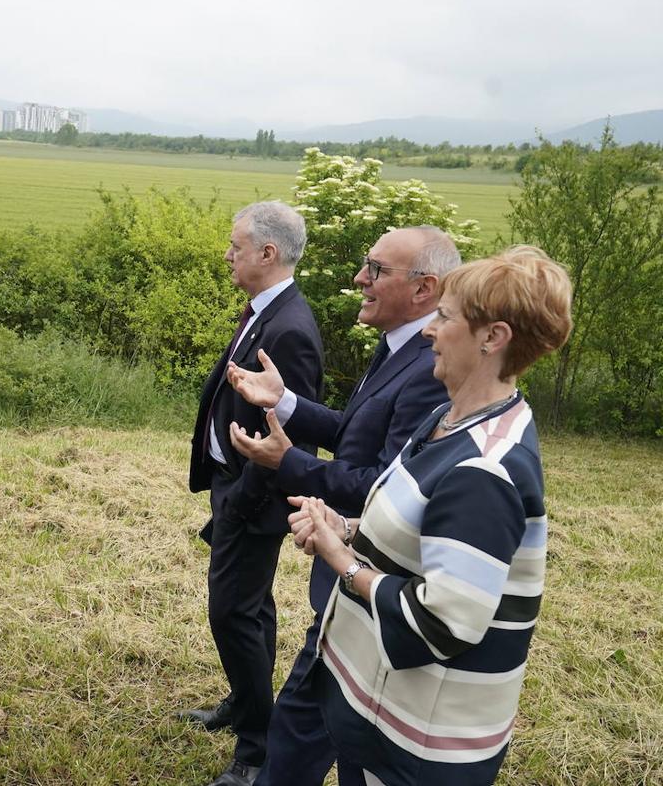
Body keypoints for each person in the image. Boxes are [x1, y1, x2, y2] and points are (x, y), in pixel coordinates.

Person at [287, 245, 572, 786]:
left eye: (444, 317)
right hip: (377, 711)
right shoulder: (447, 417)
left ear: (493, 337)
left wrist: (341, 560)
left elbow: (442, 623)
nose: (428, 332)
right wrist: (342, 526)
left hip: (419, 746)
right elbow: (418, 536)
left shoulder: (485, 470)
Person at [225, 226, 460, 786]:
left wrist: (288, 464)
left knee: (318, 728)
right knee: (318, 725)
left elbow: (385, 484)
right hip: (349, 590)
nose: (360, 278)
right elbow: (355, 435)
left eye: (376, 269)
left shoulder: (430, 368)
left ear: (424, 289)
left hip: (372, 583)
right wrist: (283, 401)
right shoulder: (396, 348)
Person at [182, 201, 324, 786]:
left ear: (268, 253)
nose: (227, 254)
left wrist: (241, 499)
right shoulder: (267, 311)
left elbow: (287, 436)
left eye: (236, 246)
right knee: (252, 608)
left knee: (233, 613)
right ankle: (248, 705)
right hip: (235, 486)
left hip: (253, 496)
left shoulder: (289, 329)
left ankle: (256, 747)